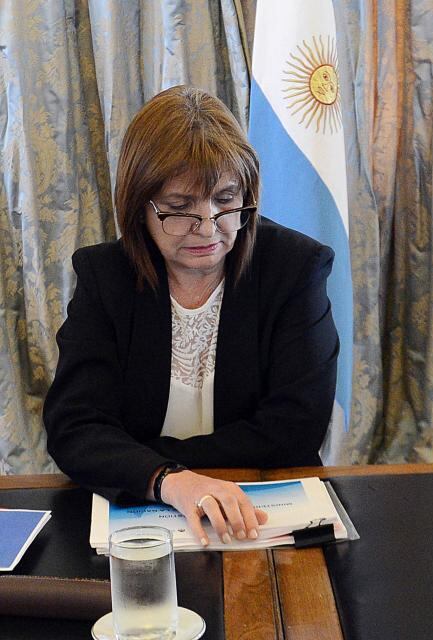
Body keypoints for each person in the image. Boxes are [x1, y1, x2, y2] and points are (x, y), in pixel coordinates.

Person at [44, 86, 339, 545]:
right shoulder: (105, 276)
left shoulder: (295, 267)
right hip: (142, 515)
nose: (209, 227)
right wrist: (170, 480)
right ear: (139, 206)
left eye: (226, 200)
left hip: (265, 508)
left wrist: (147, 459)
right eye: (180, 209)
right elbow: (74, 427)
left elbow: (295, 428)